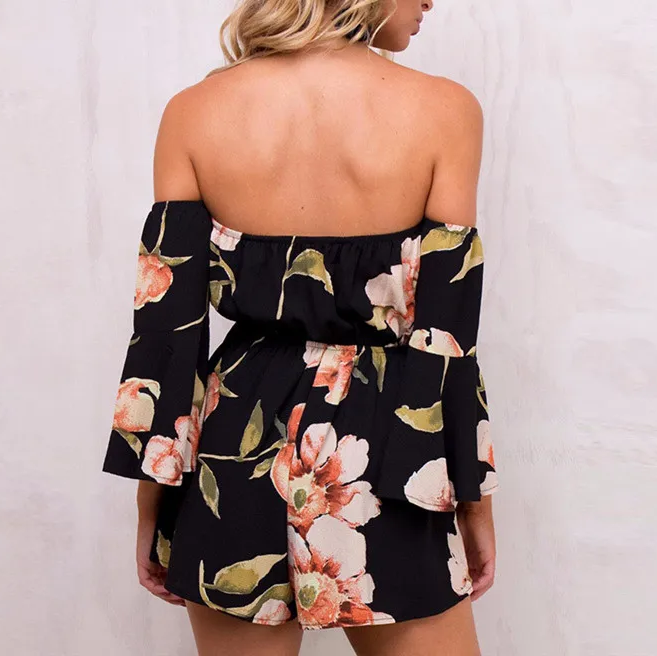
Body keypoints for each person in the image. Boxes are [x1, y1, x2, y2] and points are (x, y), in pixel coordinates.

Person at [101, 1, 498, 654]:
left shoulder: (193, 113)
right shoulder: (446, 111)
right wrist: (472, 500)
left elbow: (165, 335)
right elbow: (446, 340)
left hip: (235, 441)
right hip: (387, 442)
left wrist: (154, 502)